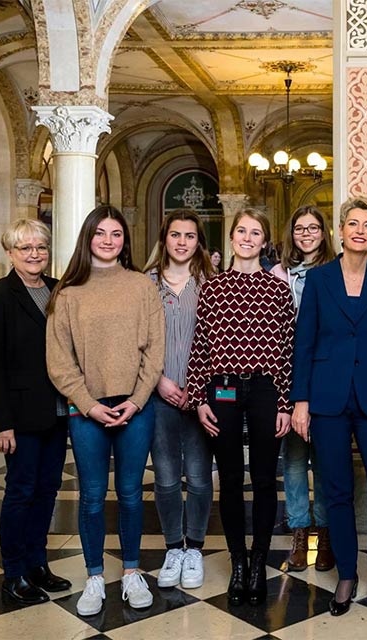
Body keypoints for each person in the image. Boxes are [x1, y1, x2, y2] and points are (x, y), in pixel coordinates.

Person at [291, 196, 367, 621]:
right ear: (340, 231)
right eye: (353, 223)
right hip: (326, 398)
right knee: (336, 490)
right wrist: (300, 401)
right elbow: (304, 342)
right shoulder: (320, 279)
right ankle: (346, 574)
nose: (360, 230)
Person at [46, 205, 166, 616]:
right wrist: (88, 404)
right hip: (87, 410)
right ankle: (95, 576)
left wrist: (136, 399)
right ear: (88, 238)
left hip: (137, 405)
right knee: (93, 496)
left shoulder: (141, 286)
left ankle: (131, 573)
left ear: (124, 241)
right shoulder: (68, 292)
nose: (109, 240)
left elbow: (155, 349)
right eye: (101, 233)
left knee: (132, 494)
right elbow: (59, 360)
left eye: (116, 234)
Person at [186, 208, 295, 606]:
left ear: (264, 241)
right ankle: (237, 563)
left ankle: (258, 563)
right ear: (231, 237)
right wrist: (198, 398)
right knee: (230, 479)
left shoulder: (277, 289)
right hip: (223, 390)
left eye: (256, 233)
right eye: (241, 231)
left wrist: (285, 402)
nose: (248, 238)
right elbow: (199, 347)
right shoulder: (213, 288)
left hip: (266, 389)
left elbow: (286, 350)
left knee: (266, 479)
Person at [0, 219, 71, 606]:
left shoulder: (57, 289)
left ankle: (37, 565)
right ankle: (13, 575)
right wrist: (1, 423)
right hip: (19, 415)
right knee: (20, 493)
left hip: (57, 410)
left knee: (48, 491)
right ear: (10, 253)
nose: (34, 254)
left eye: (40, 247)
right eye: (25, 248)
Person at [143, 210, 216, 591]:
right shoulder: (145, 284)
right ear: (165, 238)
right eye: (176, 235)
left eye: (190, 236)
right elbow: (135, 341)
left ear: (198, 241)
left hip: (200, 397)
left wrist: (197, 386)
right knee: (168, 478)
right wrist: (158, 381)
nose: (182, 242)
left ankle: (195, 550)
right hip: (159, 395)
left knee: (201, 477)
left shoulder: (211, 284)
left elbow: (220, 345)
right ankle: (174, 547)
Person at [270, 205, 337, 572]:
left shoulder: (335, 272)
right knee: (294, 460)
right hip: (287, 375)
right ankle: (299, 533)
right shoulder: (278, 274)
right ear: (291, 233)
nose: (307, 234)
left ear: (324, 233)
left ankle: (324, 535)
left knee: (325, 461)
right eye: (300, 228)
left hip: (324, 374)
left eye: (313, 228)